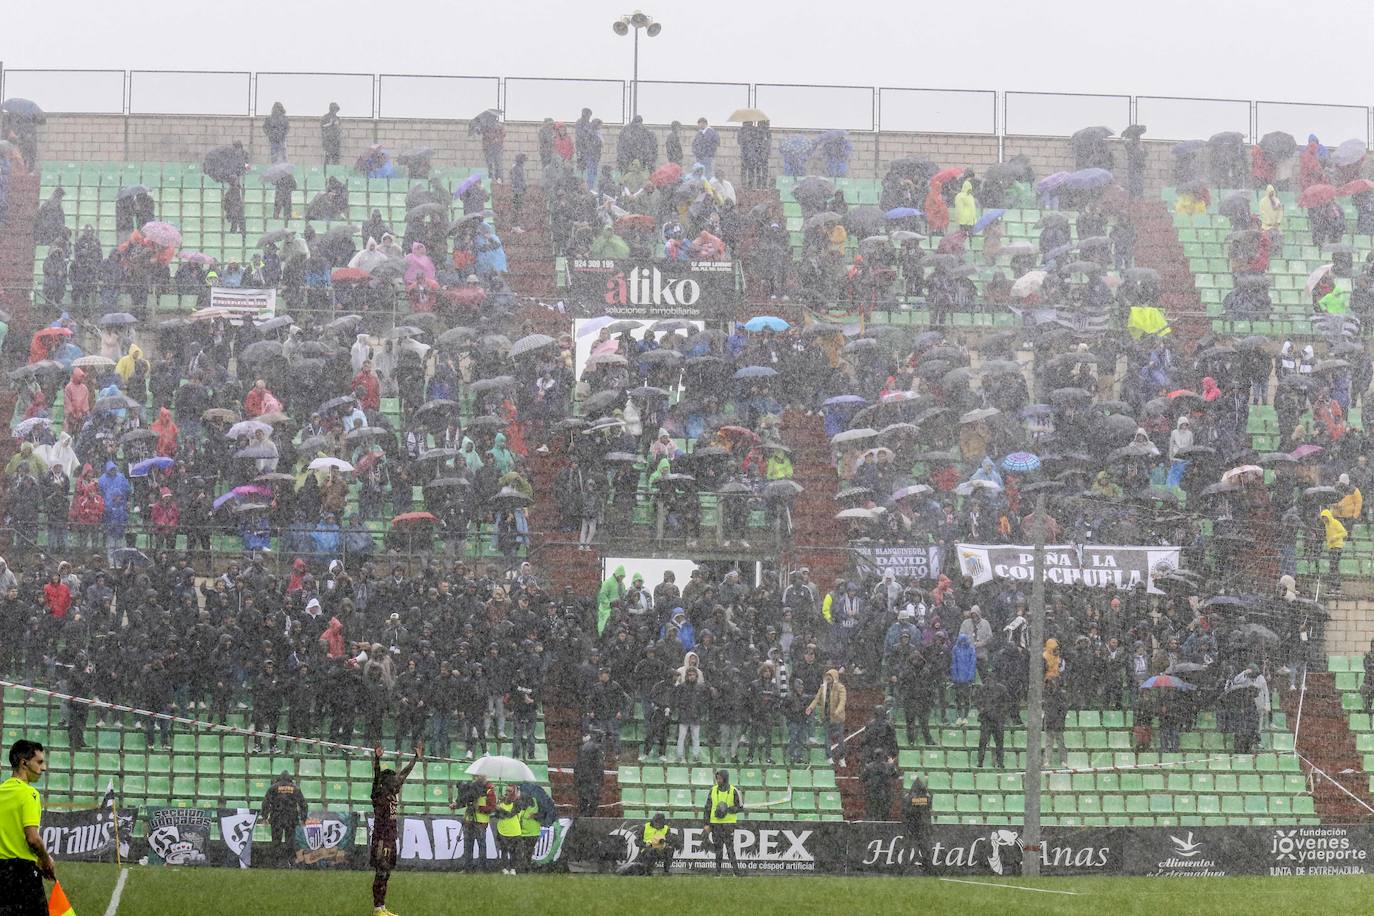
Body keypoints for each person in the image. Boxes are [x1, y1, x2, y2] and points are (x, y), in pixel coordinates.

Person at [0, 740, 55, 914]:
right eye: (39, 762)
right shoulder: (29, 793)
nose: (43, 768)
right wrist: (46, 860)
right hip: (21, 874)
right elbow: (32, 838)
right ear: (24, 763)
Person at [370, 744, 421, 916]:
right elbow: (376, 777)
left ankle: (383, 906)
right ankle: (377, 908)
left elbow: (404, 775)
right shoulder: (378, 794)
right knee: (381, 871)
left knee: (387, 873)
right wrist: (377, 759)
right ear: (386, 781)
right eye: (393, 778)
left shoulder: (392, 793)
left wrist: (415, 759)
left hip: (391, 838)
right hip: (381, 838)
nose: (397, 780)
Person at [259, 770, 309, 867]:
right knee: (290, 841)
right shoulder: (295, 788)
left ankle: (276, 862)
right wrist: (303, 818)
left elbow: (266, 802)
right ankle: (290, 861)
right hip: (291, 818)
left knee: (276, 841)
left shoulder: (273, 787)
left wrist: (265, 816)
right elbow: (303, 804)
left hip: (277, 817)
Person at [703, 768, 742, 876]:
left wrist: (727, 810)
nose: (718, 780)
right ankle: (718, 872)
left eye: (720, 778)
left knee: (730, 848)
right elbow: (707, 808)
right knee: (718, 849)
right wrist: (706, 823)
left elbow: (740, 807)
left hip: (728, 824)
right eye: (717, 778)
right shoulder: (713, 790)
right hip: (715, 824)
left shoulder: (734, 790)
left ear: (725, 778)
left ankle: (736, 872)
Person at [806, 668, 847, 767]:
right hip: (826, 717)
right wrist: (810, 707)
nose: (828, 678)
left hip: (837, 718)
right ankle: (829, 757)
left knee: (840, 739)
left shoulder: (840, 688)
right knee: (827, 739)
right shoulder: (822, 688)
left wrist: (837, 711)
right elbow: (816, 699)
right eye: (827, 676)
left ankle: (841, 758)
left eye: (830, 676)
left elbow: (842, 701)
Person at [901, 775, 938, 876]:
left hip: (912, 827)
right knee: (925, 849)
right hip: (922, 827)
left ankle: (906, 869)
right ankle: (929, 869)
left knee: (909, 848)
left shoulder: (908, 798)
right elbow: (927, 803)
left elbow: (905, 809)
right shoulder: (927, 798)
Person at [493, 784, 522, 874]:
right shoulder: (501, 800)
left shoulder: (518, 802)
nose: (507, 793)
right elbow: (497, 815)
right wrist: (497, 810)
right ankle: (504, 868)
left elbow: (510, 814)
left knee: (513, 851)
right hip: (502, 828)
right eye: (506, 790)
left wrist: (500, 809)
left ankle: (513, 868)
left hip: (514, 829)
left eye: (509, 791)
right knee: (504, 850)